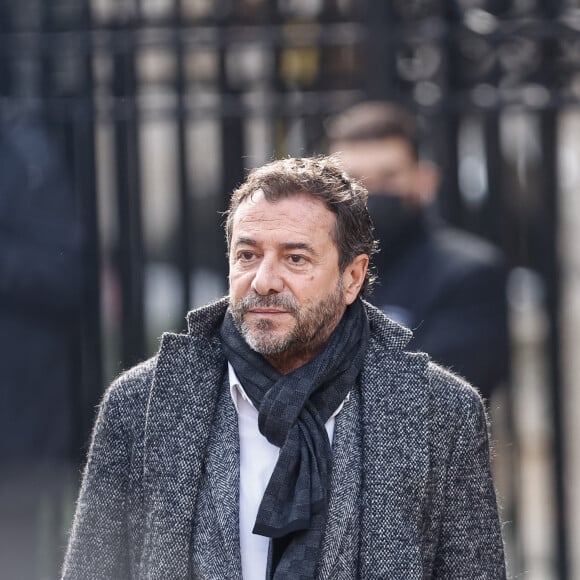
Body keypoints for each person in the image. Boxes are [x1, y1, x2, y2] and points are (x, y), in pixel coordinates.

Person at [62, 156, 505, 579]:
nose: (264, 280)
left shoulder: (439, 410)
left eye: (295, 258)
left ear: (352, 278)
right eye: (248, 256)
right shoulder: (141, 404)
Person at [325, 102, 509, 401]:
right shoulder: (316, 269)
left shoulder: (468, 273)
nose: (369, 193)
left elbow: (439, 393)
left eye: (388, 178)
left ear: (425, 180)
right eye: (353, 180)